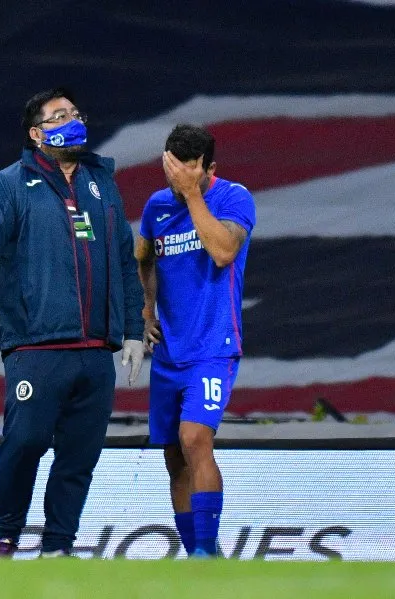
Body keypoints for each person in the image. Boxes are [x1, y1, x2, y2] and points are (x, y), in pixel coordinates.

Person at [0, 87, 145, 559]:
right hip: (37, 346)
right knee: (26, 442)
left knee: (80, 457)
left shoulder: (102, 182)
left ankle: (58, 546)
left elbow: (124, 259)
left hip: (97, 348)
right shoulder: (7, 185)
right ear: (37, 133)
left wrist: (134, 330)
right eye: (60, 116)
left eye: (75, 112)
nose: (73, 120)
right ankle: (6, 537)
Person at [135, 124, 256, 558]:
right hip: (169, 354)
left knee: (195, 438)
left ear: (210, 169)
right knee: (173, 458)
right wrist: (147, 307)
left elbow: (224, 251)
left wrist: (191, 195)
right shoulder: (156, 207)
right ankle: (195, 557)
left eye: (189, 172)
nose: (179, 180)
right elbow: (143, 257)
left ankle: (208, 552)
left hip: (214, 347)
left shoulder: (233, 198)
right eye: (173, 172)